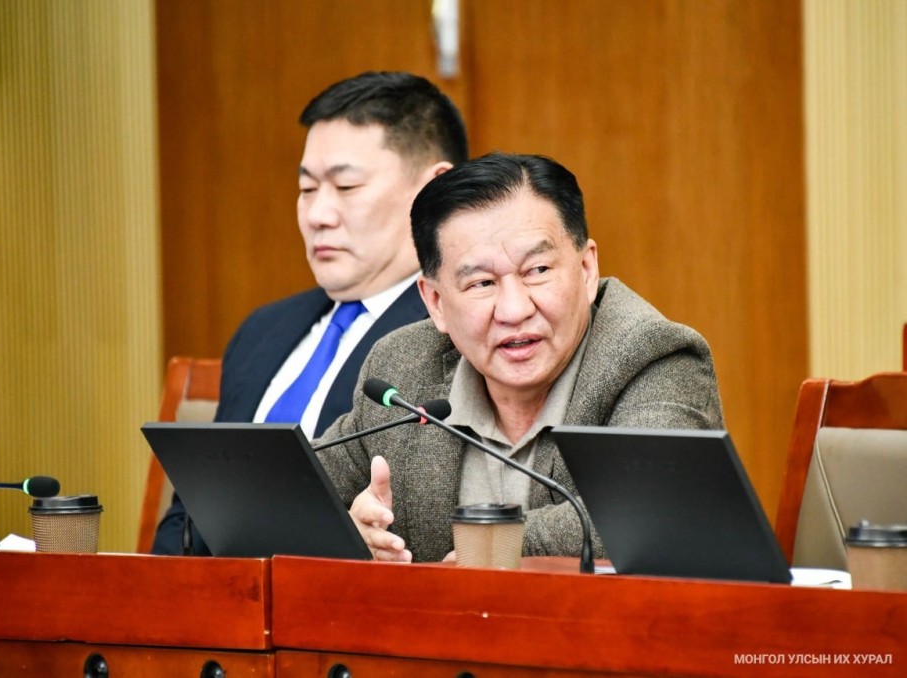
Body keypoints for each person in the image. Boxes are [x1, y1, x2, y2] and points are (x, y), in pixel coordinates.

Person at [314, 152, 724, 563]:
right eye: (482, 282)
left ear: (586, 269)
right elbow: (298, 490)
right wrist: (346, 533)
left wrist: (485, 550)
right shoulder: (403, 367)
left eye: (538, 270)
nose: (514, 310)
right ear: (435, 302)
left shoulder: (654, 357)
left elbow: (647, 511)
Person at [151, 71, 468, 555]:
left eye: (346, 185)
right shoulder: (262, 331)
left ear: (433, 191)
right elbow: (191, 513)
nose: (318, 215)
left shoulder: (457, 335)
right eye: (306, 189)